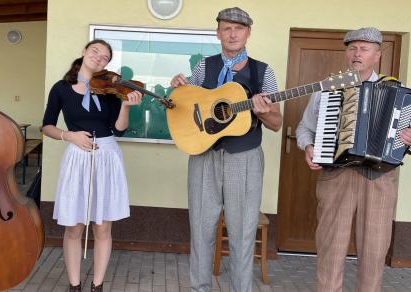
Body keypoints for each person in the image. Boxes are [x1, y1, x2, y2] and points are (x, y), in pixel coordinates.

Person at [169, 7, 282, 292]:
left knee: (243, 234)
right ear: (218, 32)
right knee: (201, 229)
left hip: (244, 157)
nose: (232, 34)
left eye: (239, 28)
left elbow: (277, 123)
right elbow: (185, 107)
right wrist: (177, 89)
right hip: (203, 156)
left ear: (248, 33)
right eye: (227, 28)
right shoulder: (203, 67)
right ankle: (199, 288)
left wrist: (263, 111)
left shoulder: (262, 71)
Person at [296, 27, 411, 292]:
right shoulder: (327, 88)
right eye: (352, 48)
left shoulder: (400, 93)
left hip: (380, 179)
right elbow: (304, 128)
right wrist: (309, 146)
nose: (357, 53)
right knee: (330, 250)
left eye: (364, 49)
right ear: (346, 53)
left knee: (373, 254)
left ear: (377, 55)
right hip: (336, 176)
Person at [42, 39, 142, 292]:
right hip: (77, 155)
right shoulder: (61, 89)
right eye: (95, 51)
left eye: (105, 56)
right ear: (84, 52)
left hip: (107, 155)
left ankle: (97, 285)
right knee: (74, 226)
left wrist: (126, 106)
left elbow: (118, 129)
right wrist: (69, 136)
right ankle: (75, 284)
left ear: (107, 63)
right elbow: (47, 126)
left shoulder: (109, 90)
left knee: (102, 226)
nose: (99, 57)